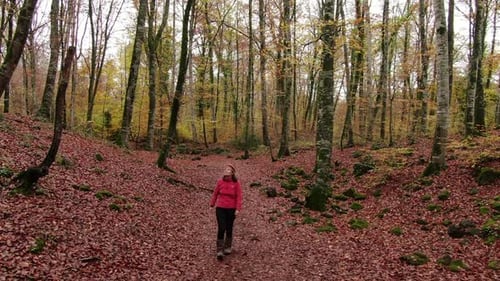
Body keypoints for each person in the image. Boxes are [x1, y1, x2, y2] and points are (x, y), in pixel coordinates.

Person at [209, 164, 242, 260]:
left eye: (229, 169)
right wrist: (212, 204)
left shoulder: (236, 183)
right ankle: (219, 250)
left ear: (232, 172)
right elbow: (215, 193)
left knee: (229, 227)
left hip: (231, 209)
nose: (227, 170)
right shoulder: (220, 182)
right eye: (226, 169)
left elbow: (239, 197)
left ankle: (227, 247)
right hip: (220, 208)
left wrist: (237, 209)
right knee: (221, 227)